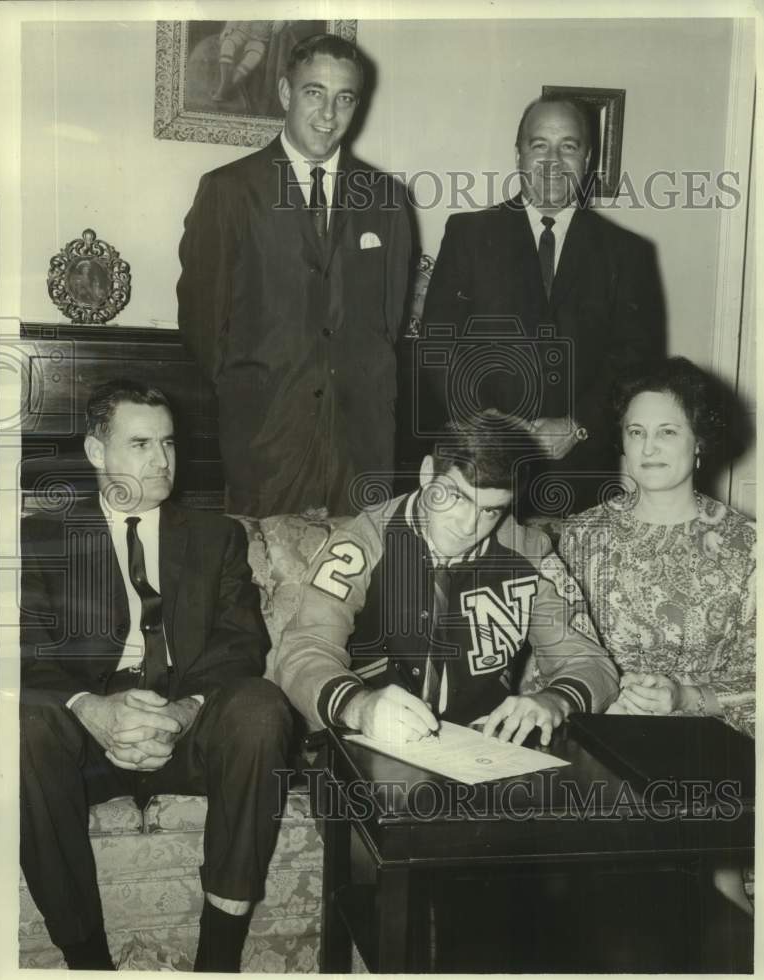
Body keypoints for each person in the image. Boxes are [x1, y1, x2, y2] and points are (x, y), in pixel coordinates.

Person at [19, 379, 293, 972]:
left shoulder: (217, 536)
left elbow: (242, 644)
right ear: (97, 453)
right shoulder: (40, 537)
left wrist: (184, 710)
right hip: (86, 741)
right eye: (140, 443)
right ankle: (88, 967)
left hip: (187, 723)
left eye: (168, 444)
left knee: (261, 706)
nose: (162, 461)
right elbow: (25, 651)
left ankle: (217, 965)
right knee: (24, 724)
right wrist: (92, 709)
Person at [275, 411, 618, 745]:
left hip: (484, 753)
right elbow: (304, 650)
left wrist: (555, 701)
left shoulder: (530, 554)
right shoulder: (364, 542)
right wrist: (358, 706)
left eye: (490, 510)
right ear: (427, 474)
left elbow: (591, 663)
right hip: (369, 744)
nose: (468, 526)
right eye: (456, 497)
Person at [178, 33, 413, 518]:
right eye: (314, 93)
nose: (329, 114)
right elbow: (203, 324)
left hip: (361, 447)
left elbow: (389, 321)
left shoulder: (386, 199)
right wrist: (259, 397)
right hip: (266, 441)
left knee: (355, 584)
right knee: (263, 582)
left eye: (344, 98)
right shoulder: (229, 191)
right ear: (285, 93)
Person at [559, 356, 755, 914]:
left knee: (701, 895)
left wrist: (686, 698)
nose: (649, 447)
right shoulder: (580, 537)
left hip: (709, 748)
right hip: (600, 739)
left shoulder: (746, 547)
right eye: (636, 432)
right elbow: (549, 655)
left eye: (668, 432)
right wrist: (600, 696)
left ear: (700, 443)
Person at [419, 96, 666, 515]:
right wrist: (494, 426)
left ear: (587, 158)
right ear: (519, 154)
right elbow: (438, 346)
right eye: (540, 145)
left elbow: (636, 362)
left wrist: (579, 425)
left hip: (581, 473)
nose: (553, 160)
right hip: (480, 471)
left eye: (568, 146)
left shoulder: (628, 253)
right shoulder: (468, 234)